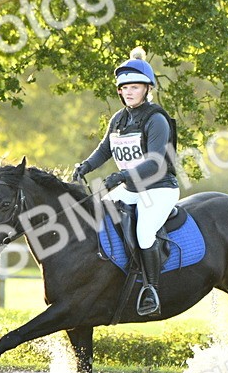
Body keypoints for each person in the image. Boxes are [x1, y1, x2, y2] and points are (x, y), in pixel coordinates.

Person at [73, 48, 179, 317]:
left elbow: (155, 162)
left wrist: (121, 176)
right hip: (130, 188)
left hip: (158, 189)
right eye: (124, 88)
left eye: (134, 87)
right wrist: (85, 166)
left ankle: (151, 290)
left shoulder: (156, 119)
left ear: (147, 89)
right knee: (94, 217)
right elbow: (104, 151)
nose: (129, 92)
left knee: (144, 233)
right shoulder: (119, 119)